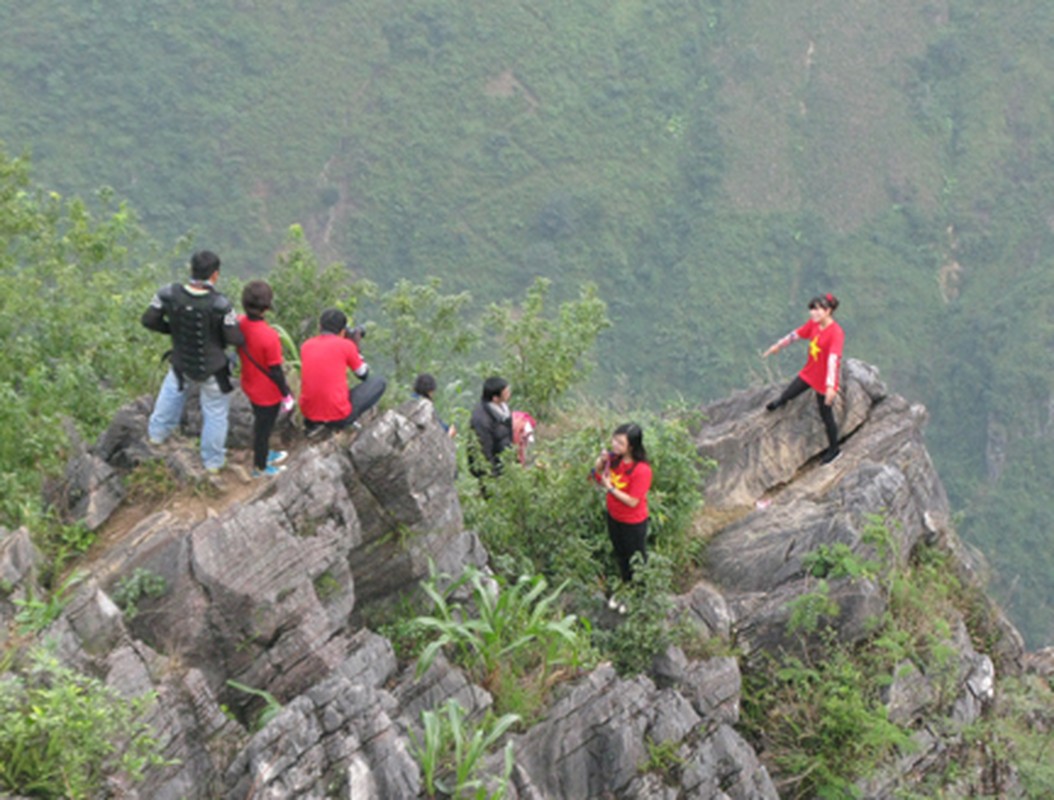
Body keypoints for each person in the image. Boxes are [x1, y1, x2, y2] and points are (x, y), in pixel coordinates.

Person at [142, 250, 244, 472]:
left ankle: (156, 437)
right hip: (214, 368)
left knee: (170, 393)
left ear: (191, 270)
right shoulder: (221, 304)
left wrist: (172, 330)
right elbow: (235, 338)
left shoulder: (168, 294)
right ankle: (212, 463)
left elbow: (148, 320)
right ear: (215, 275)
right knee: (215, 412)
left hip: (181, 362)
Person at [762, 293, 845, 465]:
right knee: (789, 392)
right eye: (812, 309)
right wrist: (778, 345)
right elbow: (797, 334)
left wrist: (831, 386)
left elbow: (833, 359)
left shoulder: (836, 333)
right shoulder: (814, 326)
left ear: (828, 311)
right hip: (810, 372)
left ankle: (834, 449)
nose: (813, 313)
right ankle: (780, 401)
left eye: (817, 310)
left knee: (826, 414)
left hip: (824, 380)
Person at [238, 280, 295, 477]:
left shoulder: (240, 323)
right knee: (263, 428)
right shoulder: (270, 336)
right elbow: (276, 371)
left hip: (249, 384)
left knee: (261, 424)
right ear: (267, 307)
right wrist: (286, 394)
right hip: (267, 394)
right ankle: (260, 467)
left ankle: (264, 453)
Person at [591, 423, 652, 607]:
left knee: (636, 560)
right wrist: (601, 462)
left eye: (620, 442)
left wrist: (610, 488)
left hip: (633, 523)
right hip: (614, 517)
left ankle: (638, 596)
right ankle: (625, 590)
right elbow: (596, 474)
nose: (614, 445)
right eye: (614, 440)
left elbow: (633, 501)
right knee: (621, 556)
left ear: (631, 446)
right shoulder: (614, 459)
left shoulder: (642, 470)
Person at [299, 308, 387, 435]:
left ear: (320, 326)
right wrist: (356, 347)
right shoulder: (346, 346)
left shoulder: (306, 346)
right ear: (342, 331)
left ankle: (315, 426)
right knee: (380, 382)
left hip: (309, 415)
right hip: (339, 417)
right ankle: (343, 424)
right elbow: (363, 375)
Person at [469, 376, 513, 478]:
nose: (509, 394)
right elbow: (484, 451)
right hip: (492, 472)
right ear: (495, 398)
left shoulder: (502, 409)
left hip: (504, 465)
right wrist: (493, 475)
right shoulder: (481, 420)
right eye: (506, 392)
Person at [412, 373, 456, 437]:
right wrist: (448, 430)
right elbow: (437, 423)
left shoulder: (409, 400)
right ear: (430, 391)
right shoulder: (425, 405)